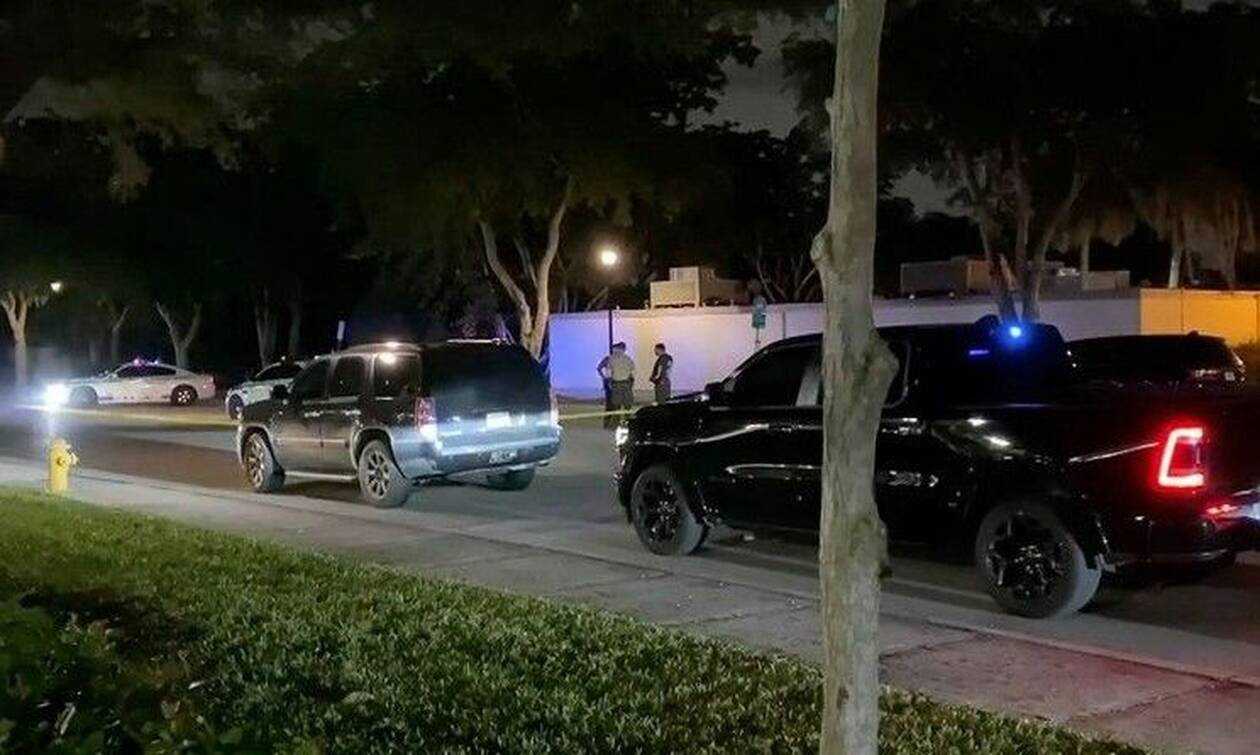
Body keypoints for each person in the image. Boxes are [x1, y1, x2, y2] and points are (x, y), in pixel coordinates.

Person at [597, 342, 635, 428]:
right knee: (627, 406)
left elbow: (608, 373)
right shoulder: (628, 359)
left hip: (616, 384)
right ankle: (628, 424)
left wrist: (606, 380)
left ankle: (613, 425)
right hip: (626, 384)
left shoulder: (611, 359)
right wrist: (631, 383)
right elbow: (632, 373)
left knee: (615, 405)